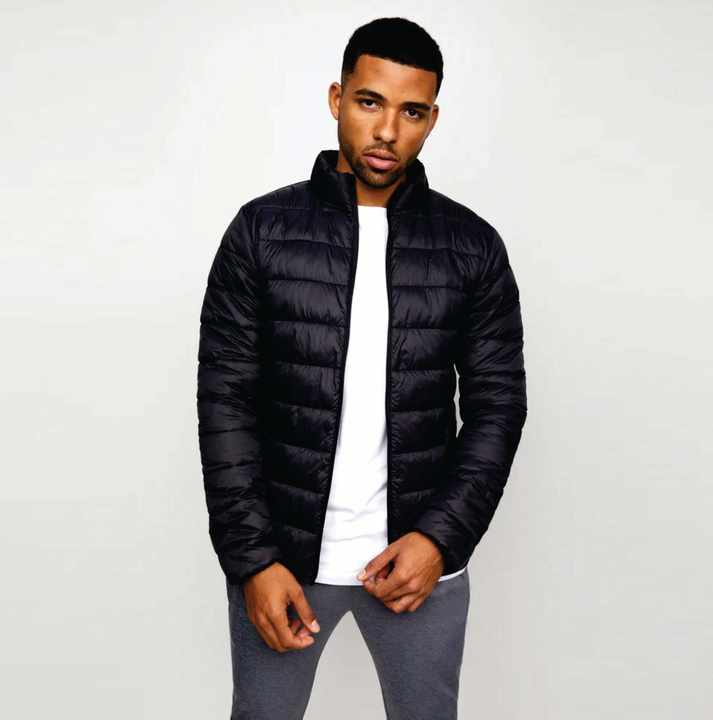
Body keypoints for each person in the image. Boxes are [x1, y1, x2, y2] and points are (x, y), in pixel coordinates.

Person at [197, 16, 527, 720]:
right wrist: (254, 560)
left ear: (431, 119)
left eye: (412, 112)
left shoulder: (471, 247)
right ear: (336, 99)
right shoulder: (261, 232)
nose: (387, 131)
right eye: (369, 102)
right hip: (285, 560)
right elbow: (225, 403)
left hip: (416, 561)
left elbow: (498, 408)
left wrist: (439, 539)